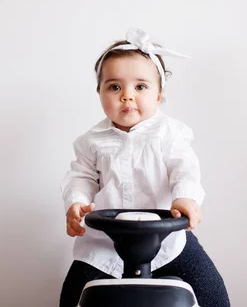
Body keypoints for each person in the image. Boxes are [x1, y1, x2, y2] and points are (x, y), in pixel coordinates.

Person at [59, 28, 230, 306]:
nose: (127, 96)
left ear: (159, 93)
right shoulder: (92, 141)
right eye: (114, 87)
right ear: (99, 92)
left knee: (212, 292)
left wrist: (184, 197)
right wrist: (77, 203)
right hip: (104, 249)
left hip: (167, 244)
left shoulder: (169, 134)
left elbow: (184, 167)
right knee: (73, 295)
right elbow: (81, 176)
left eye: (140, 86)